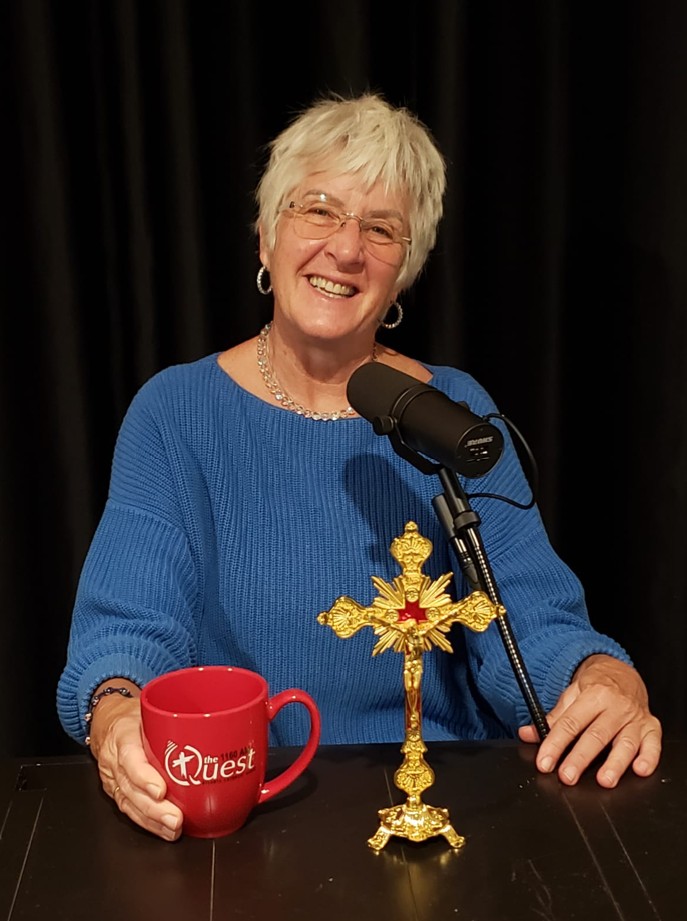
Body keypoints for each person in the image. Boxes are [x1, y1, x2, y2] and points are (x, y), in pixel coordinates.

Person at [57, 91, 662, 842]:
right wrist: (116, 712)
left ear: (402, 273)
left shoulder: (455, 411)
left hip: (445, 805)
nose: (346, 249)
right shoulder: (175, 413)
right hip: (244, 813)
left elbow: (529, 619)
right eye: (317, 210)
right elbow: (127, 629)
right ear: (264, 236)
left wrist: (597, 678)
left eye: (380, 230)